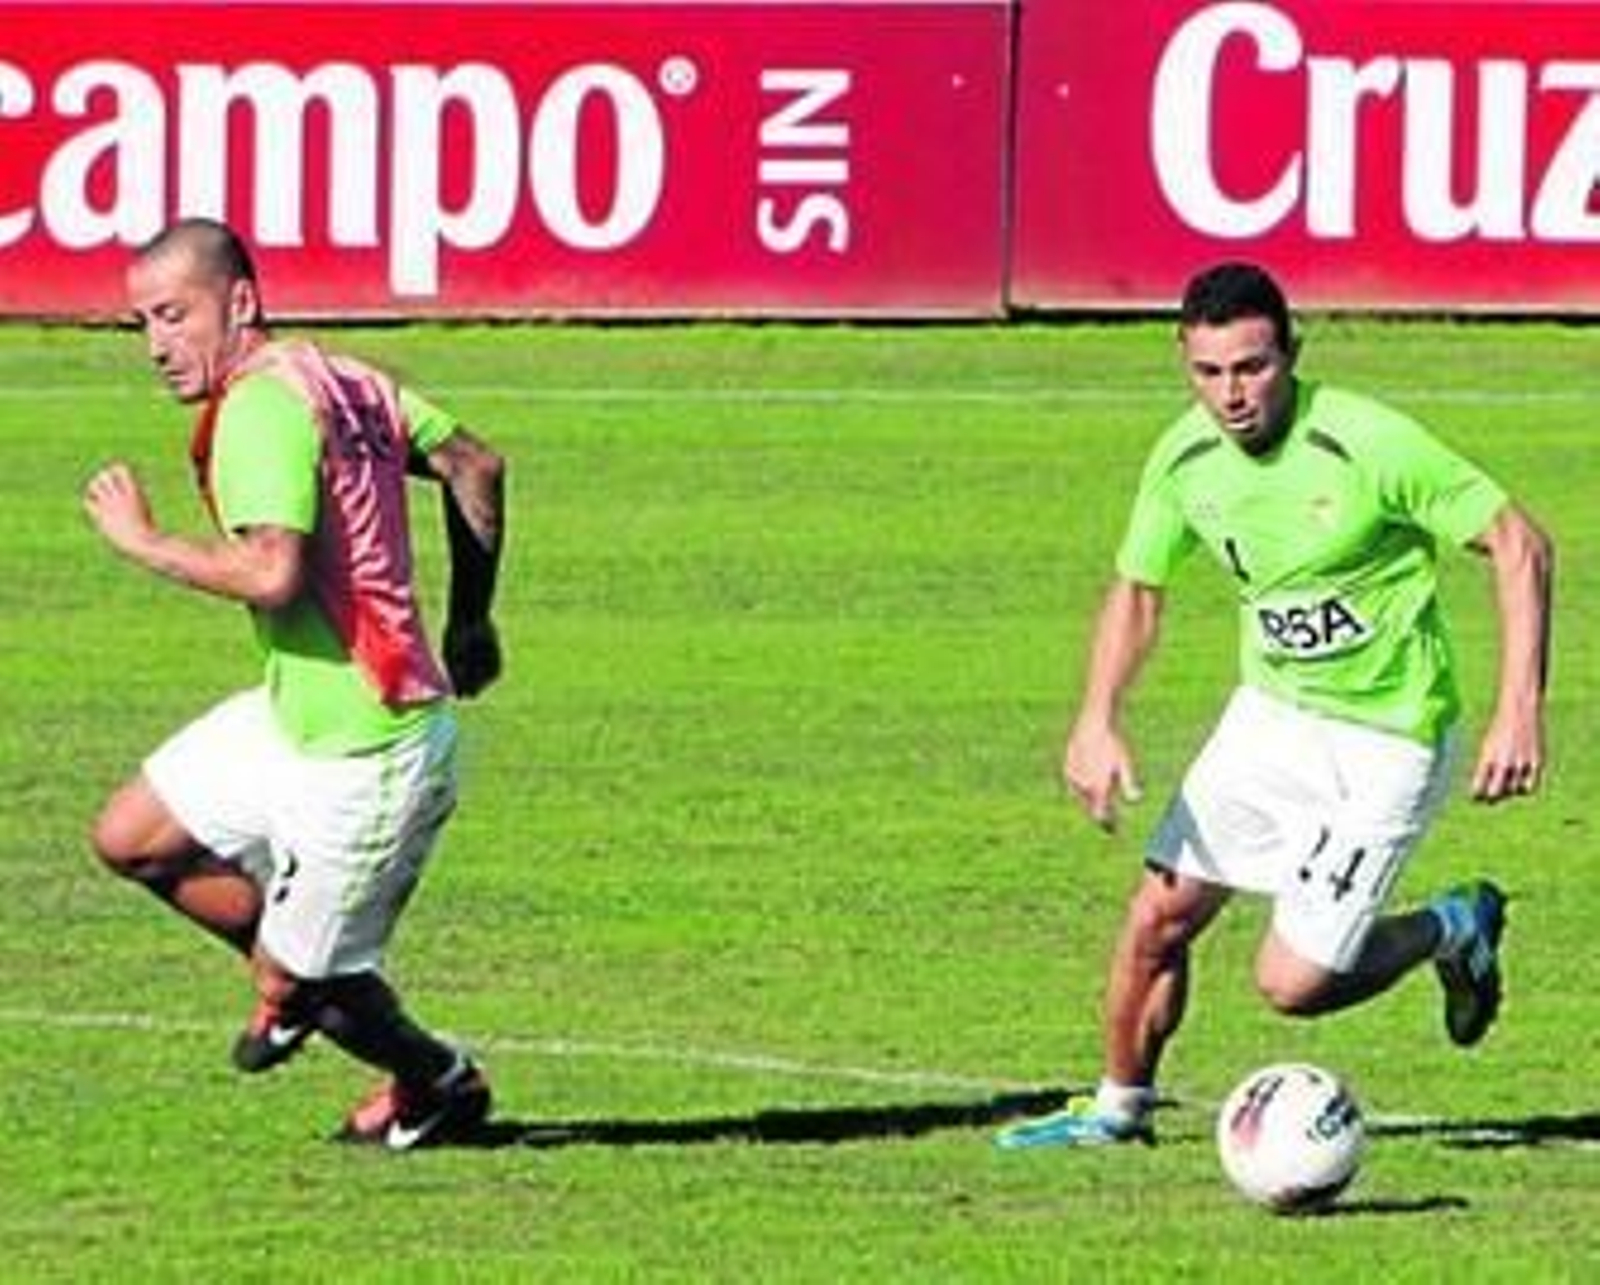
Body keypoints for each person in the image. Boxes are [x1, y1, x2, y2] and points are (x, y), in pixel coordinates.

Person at [997, 261, 1553, 1149]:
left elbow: (1520, 543)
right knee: (1157, 915)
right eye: (1209, 372)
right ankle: (1117, 1110)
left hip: (1389, 739)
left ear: (1292, 353)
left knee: (1293, 984)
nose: (1232, 394)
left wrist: (1517, 708)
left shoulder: (1365, 442)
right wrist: (1096, 717)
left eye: (1252, 367)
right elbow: (1138, 588)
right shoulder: (1184, 458)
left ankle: (1451, 927)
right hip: (1272, 718)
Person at [82, 218, 507, 1151]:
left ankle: (434, 1077)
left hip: (371, 752)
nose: (156, 345)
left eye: (173, 315)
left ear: (240, 301)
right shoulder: (338, 377)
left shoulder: (257, 410)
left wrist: (144, 542)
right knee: (132, 836)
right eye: (141, 322)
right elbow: (475, 463)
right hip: (297, 713)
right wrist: (471, 621)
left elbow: (272, 573)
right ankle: (301, 959)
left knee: (293, 982)